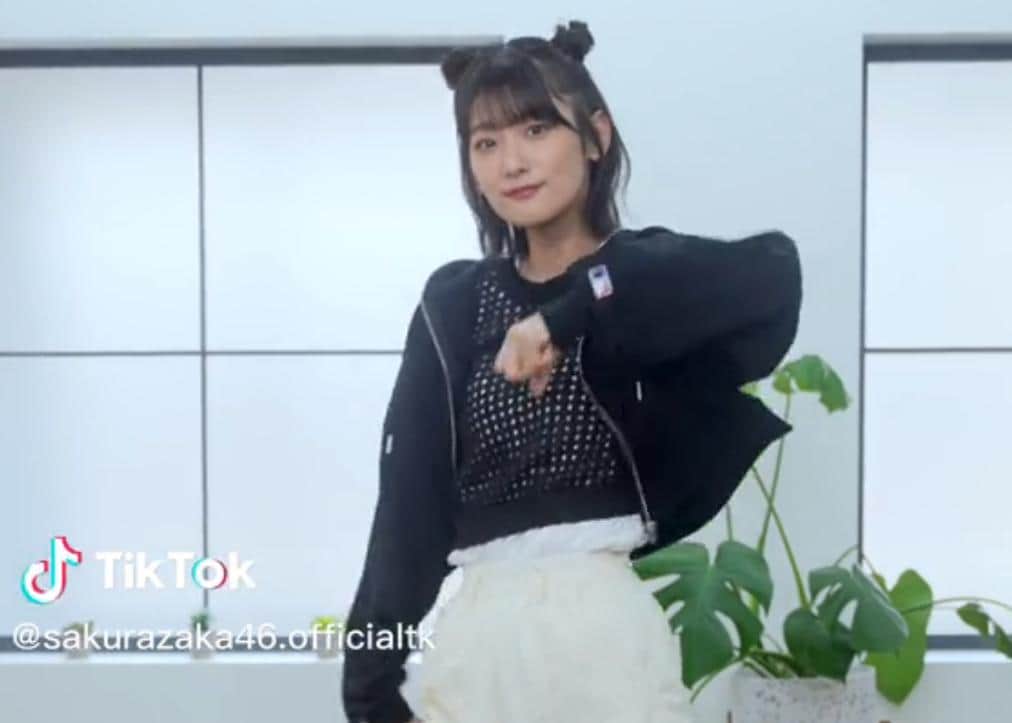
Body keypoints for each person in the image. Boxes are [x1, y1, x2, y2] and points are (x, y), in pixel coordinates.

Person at [341, 18, 803, 723]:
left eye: (536, 129)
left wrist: (566, 316)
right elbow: (409, 508)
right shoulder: (456, 303)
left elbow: (770, 274)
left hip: (606, 649)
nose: (511, 162)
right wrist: (369, 690)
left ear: (595, 136)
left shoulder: (643, 279)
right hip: (480, 652)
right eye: (486, 142)